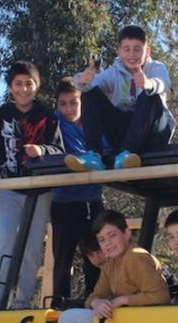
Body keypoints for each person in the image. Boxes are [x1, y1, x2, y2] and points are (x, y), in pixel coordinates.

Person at [0, 61, 64, 311]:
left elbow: (59, 150)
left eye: (29, 83)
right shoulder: (2, 114)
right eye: (18, 84)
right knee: (5, 237)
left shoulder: (47, 115)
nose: (23, 89)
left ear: (36, 86)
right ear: (10, 87)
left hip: (39, 191)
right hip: (7, 187)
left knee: (31, 247)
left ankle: (22, 301)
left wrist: (41, 149)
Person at [58, 210, 170, 323]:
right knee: (70, 317)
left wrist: (124, 300)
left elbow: (161, 296)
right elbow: (95, 295)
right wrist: (97, 303)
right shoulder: (110, 264)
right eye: (102, 240)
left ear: (126, 233)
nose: (108, 243)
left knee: (69, 320)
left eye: (112, 235)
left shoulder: (135, 257)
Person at [66, 25, 175, 171]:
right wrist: (83, 80)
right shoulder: (114, 72)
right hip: (124, 134)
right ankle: (94, 155)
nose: (132, 55)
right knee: (89, 93)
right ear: (119, 51)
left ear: (147, 51)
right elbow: (89, 85)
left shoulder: (156, 67)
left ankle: (128, 153)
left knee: (150, 95)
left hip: (153, 133)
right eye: (126, 49)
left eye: (137, 49)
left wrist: (148, 83)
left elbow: (163, 83)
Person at [50, 79, 105, 308]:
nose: (69, 109)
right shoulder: (55, 124)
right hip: (65, 202)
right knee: (63, 259)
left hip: (93, 200)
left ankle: (95, 301)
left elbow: (106, 149)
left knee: (96, 256)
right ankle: (58, 306)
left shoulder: (95, 123)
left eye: (73, 102)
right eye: (63, 104)